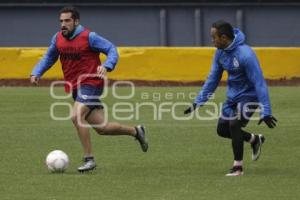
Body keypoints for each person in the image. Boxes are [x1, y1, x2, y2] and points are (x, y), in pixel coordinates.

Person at [30, 6, 148, 173]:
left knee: (76, 116)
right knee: (102, 128)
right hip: (76, 88)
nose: (63, 24)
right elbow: (49, 57)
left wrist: (107, 65)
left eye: (67, 21)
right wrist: (37, 72)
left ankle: (89, 159)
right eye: (61, 21)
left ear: (76, 21)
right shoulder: (57, 39)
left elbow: (111, 49)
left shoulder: (89, 37)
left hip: (92, 83)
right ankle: (136, 131)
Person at [184, 20, 277, 176]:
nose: (212, 40)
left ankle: (238, 168)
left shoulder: (246, 54)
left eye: (214, 37)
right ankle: (254, 140)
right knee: (222, 130)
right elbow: (213, 79)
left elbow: (259, 83)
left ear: (224, 37)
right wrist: (199, 101)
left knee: (234, 124)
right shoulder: (220, 53)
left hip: (250, 96)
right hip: (233, 97)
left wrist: (265, 111)